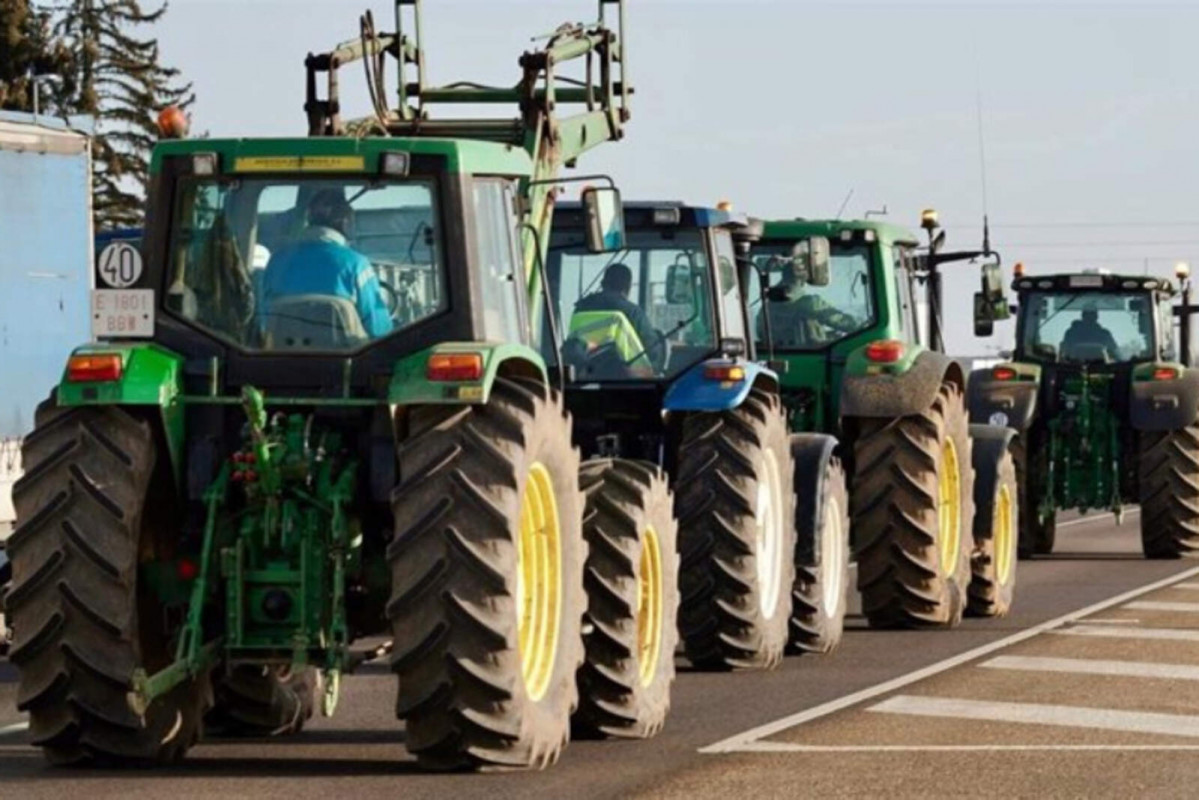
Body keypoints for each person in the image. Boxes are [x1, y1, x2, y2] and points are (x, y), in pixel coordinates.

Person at [260, 189, 392, 338]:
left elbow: (263, 319)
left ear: (309, 220)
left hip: (282, 357)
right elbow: (379, 329)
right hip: (348, 358)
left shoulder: (276, 262)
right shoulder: (357, 265)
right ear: (345, 222)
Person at [760, 256, 858, 347]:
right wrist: (863, 325)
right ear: (803, 281)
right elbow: (846, 323)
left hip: (778, 354)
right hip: (813, 356)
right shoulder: (810, 303)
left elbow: (760, 332)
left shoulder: (769, 305)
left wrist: (827, 335)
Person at [573, 263, 662, 363]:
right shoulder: (633, 313)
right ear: (627, 287)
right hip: (623, 376)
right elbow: (653, 353)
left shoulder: (581, 308)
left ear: (603, 283)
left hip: (582, 375)